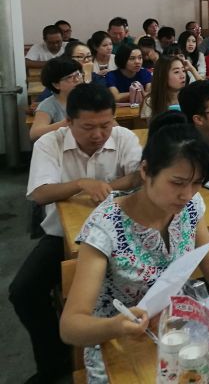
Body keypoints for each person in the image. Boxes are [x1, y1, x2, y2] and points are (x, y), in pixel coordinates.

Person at [59, 112, 209, 383]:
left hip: (178, 336)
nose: (187, 194)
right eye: (177, 183)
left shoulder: (190, 207)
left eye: (197, 183)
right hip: (121, 348)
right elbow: (70, 326)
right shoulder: (106, 226)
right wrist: (116, 326)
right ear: (146, 170)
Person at [10, 83, 141, 384]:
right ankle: (55, 363)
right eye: (88, 127)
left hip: (118, 236)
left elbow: (139, 175)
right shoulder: (50, 143)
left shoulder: (123, 137)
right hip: (62, 236)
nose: (98, 134)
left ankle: (125, 354)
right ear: (68, 121)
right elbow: (40, 193)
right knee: (23, 291)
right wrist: (81, 184)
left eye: (105, 125)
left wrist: (108, 187)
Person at [30, 57, 84, 141]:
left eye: (78, 74)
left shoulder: (89, 97)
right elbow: (34, 134)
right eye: (70, 77)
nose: (77, 80)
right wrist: (66, 123)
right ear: (56, 85)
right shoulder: (48, 105)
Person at [140, 55, 186, 121]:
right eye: (176, 72)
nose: (183, 75)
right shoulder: (150, 101)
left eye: (183, 71)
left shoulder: (189, 97)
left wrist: (192, 69)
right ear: (162, 75)